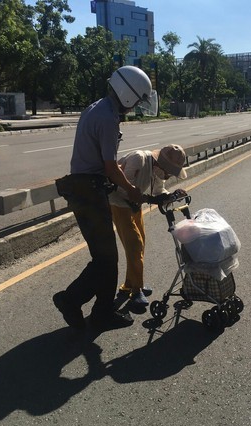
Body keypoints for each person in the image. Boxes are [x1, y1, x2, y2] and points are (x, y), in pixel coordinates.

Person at [52, 65, 155, 332]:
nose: (135, 108)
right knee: (106, 259)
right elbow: (110, 167)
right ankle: (70, 299)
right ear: (128, 95)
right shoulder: (108, 118)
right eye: (137, 102)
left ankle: (101, 313)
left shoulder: (97, 107)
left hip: (86, 188)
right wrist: (132, 189)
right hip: (88, 191)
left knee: (106, 258)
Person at [108, 144, 188, 306]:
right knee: (134, 245)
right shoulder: (139, 160)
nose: (168, 176)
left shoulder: (156, 171)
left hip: (134, 205)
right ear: (162, 166)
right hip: (119, 204)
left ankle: (129, 285)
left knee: (139, 244)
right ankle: (136, 291)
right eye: (169, 172)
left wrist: (171, 195)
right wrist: (149, 200)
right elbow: (123, 189)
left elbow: (158, 191)